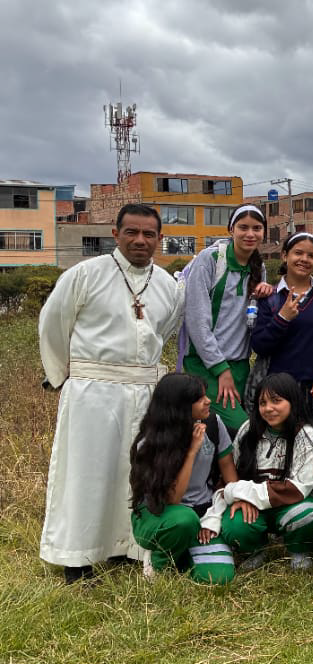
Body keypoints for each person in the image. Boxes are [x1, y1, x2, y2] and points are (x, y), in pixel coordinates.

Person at [38, 204, 184, 583]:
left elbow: (163, 332)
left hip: (143, 392)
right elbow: (53, 324)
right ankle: (78, 557)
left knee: (134, 472)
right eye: (132, 232)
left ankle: (127, 547)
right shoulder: (85, 275)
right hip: (92, 391)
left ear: (159, 238)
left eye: (149, 234)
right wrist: (62, 375)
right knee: (87, 472)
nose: (140, 240)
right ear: (116, 234)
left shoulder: (168, 286)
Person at [201, 373, 313, 571]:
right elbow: (231, 475)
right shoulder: (248, 429)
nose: (268, 408)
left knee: (306, 514)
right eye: (262, 403)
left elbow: (299, 488)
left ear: (293, 401)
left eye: (276, 401)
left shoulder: (304, 434)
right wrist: (240, 499)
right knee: (235, 524)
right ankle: (256, 550)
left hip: (290, 503)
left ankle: (299, 549)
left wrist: (243, 492)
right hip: (252, 506)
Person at [129, 372, 238, 585]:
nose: (208, 401)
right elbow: (173, 498)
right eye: (199, 398)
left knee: (219, 576)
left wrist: (233, 500)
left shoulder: (213, 423)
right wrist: (191, 451)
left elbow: (227, 466)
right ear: (179, 406)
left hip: (202, 511)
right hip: (161, 515)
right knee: (184, 521)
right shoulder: (151, 442)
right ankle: (159, 562)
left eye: (205, 395)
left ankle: (183, 554)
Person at [181, 205, 273, 432]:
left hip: (240, 366)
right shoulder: (211, 259)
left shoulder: (258, 267)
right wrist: (221, 369)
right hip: (207, 367)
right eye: (243, 227)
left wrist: (265, 294)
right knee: (243, 430)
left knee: (221, 436)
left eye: (256, 228)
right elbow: (197, 321)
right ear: (231, 229)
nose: (250, 234)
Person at [250, 232, 313, 423]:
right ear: (284, 255)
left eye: (311, 256)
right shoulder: (270, 297)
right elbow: (259, 345)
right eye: (298, 253)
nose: (304, 259)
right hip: (278, 392)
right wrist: (282, 318)